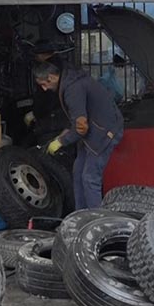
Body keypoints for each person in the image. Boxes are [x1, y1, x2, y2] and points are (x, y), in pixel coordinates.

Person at [33, 60, 123, 209]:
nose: (44, 89)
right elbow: (77, 118)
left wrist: (61, 142)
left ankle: (96, 222)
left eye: (44, 84)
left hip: (103, 133)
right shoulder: (70, 81)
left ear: (52, 77)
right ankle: (81, 216)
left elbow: (81, 128)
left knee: (90, 178)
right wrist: (63, 134)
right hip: (94, 132)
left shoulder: (72, 90)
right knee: (78, 172)